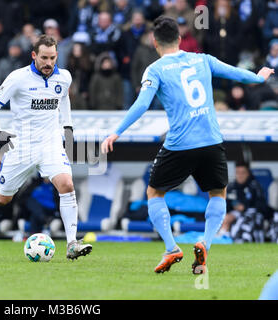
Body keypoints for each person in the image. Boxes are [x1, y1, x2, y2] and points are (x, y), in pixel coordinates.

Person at [101, 16, 274, 274]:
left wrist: (116, 132)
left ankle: (172, 248)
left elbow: (141, 104)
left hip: (180, 144)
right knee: (218, 194)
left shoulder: (155, 69)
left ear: (153, 41)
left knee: (154, 193)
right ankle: (205, 242)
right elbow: (236, 73)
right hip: (211, 141)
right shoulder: (202, 59)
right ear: (180, 39)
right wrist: (259, 78)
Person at [0, 35, 92, 260]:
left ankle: (71, 243)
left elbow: (64, 100)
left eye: (52, 58)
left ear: (57, 56)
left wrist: (67, 127)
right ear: (34, 56)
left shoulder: (64, 77)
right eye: (44, 58)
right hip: (22, 146)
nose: (49, 63)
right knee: (2, 198)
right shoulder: (18, 78)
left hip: (50, 144)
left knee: (67, 185)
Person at [219, 161, 271, 243]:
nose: (240, 175)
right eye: (238, 173)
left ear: (248, 173)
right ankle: (222, 238)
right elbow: (226, 203)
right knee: (224, 217)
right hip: (234, 214)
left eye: (243, 173)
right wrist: (234, 207)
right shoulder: (232, 187)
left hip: (252, 214)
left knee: (245, 219)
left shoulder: (255, 186)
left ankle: (238, 239)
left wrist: (244, 207)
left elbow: (262, 206)